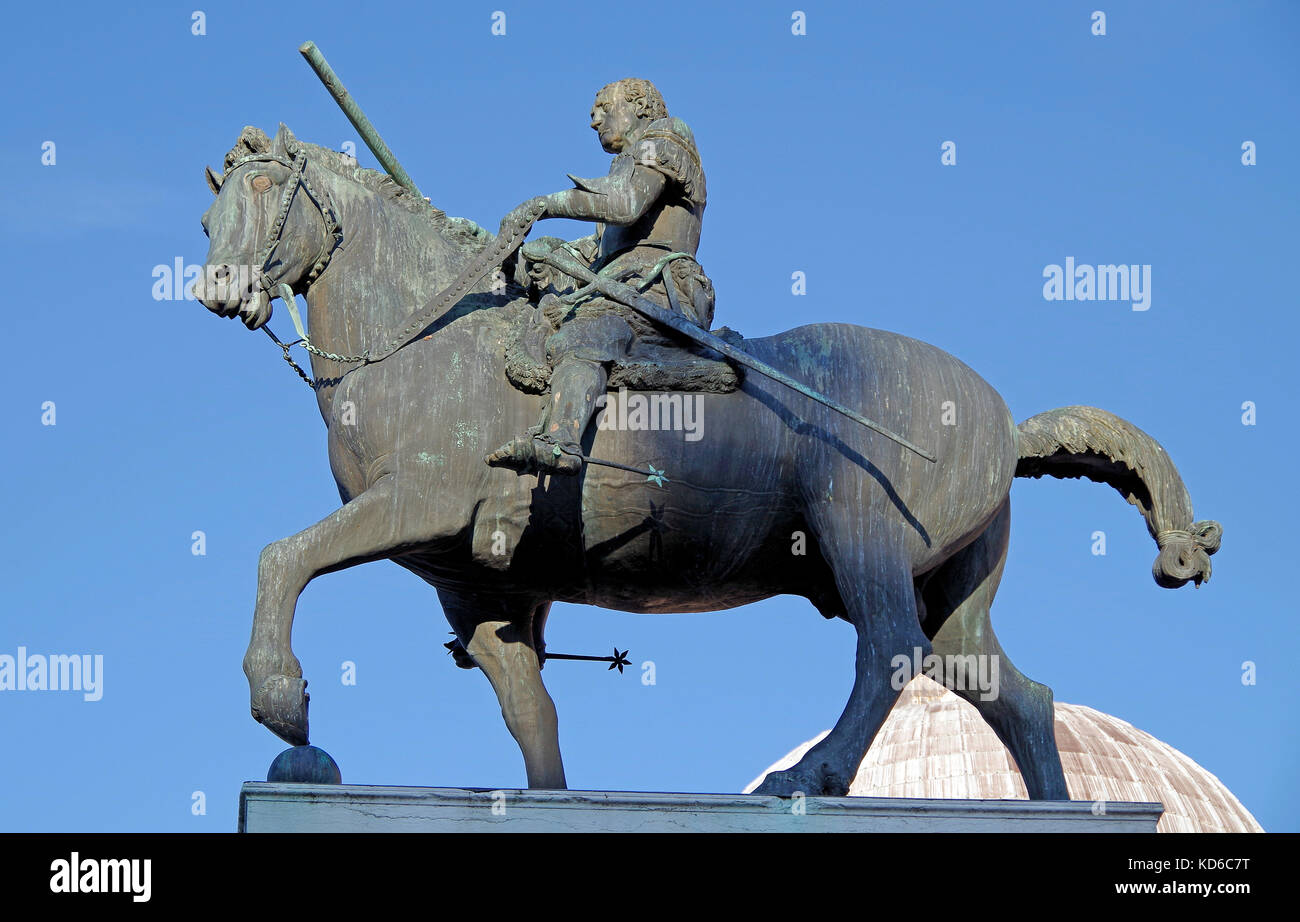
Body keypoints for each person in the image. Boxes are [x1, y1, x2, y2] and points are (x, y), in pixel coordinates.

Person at [487, 77, 713, 475]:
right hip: (617, 283)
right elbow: (597, 251)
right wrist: (541, 255)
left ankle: (562, 441)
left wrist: (544, 205)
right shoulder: (623, 167)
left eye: (604, 108)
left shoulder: (667, 135)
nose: (594, 120)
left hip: (657, 289)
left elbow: (625, 206)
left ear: (639, 107)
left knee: (586, 332)